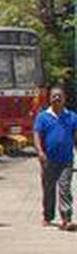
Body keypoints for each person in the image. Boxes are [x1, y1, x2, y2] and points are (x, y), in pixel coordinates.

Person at [32, 87, 77, 230]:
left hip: (66, 159)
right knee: (48, 189)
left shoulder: (72, 117)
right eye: (54, 96)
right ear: (50, 99)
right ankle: (48, 216)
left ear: (64, 99)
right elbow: (37, 135)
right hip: (48, 160)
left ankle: (66, 218)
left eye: (59, 96)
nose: (57, 98)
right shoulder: (43, 116)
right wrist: (39, 151)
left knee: (65, 188)